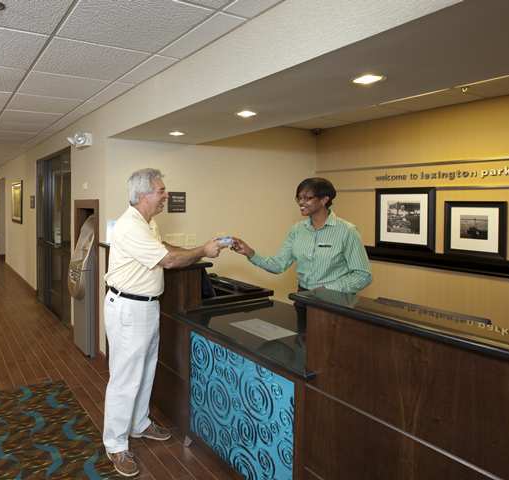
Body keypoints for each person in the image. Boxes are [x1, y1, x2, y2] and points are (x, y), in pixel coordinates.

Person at [103, 168, 224, 477]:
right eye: (161, 191)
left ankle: (140, 424)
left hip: (145, 307)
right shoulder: (130, 226)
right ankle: (116, 444)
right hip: (128, 308)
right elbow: (168, 260)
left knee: (145, 369)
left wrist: (194, 250)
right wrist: (203, 251)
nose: (166, 195)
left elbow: (165, 248)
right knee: (125, 376)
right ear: (143, 195)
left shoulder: (148, 223)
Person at [232, 177, 371, 295]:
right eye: (299, 198)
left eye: (307, 198)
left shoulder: (347, 231)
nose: (301, 203)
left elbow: (363, 275)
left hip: (335, 300)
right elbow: (278, 265)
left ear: (324, 200)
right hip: (303, 297)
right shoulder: (297, 230)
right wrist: (249, 253)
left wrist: (327, 289)